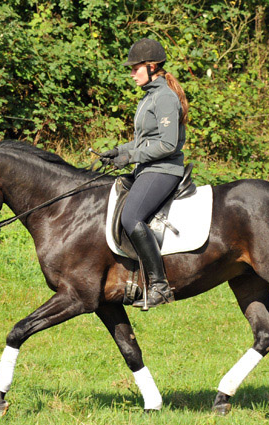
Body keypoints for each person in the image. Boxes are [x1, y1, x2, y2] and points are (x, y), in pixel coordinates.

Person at [101, 38, 189, 309]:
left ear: (151, 67)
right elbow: (143, 141)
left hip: (164, 170)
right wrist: (118, 151)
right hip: (147, 168)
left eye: (135, 68)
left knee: (131, 216)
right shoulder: (150, 96)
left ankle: (159, 286)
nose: (131, 73)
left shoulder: (163, 98)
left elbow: (167, 144)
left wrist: (131, 156)